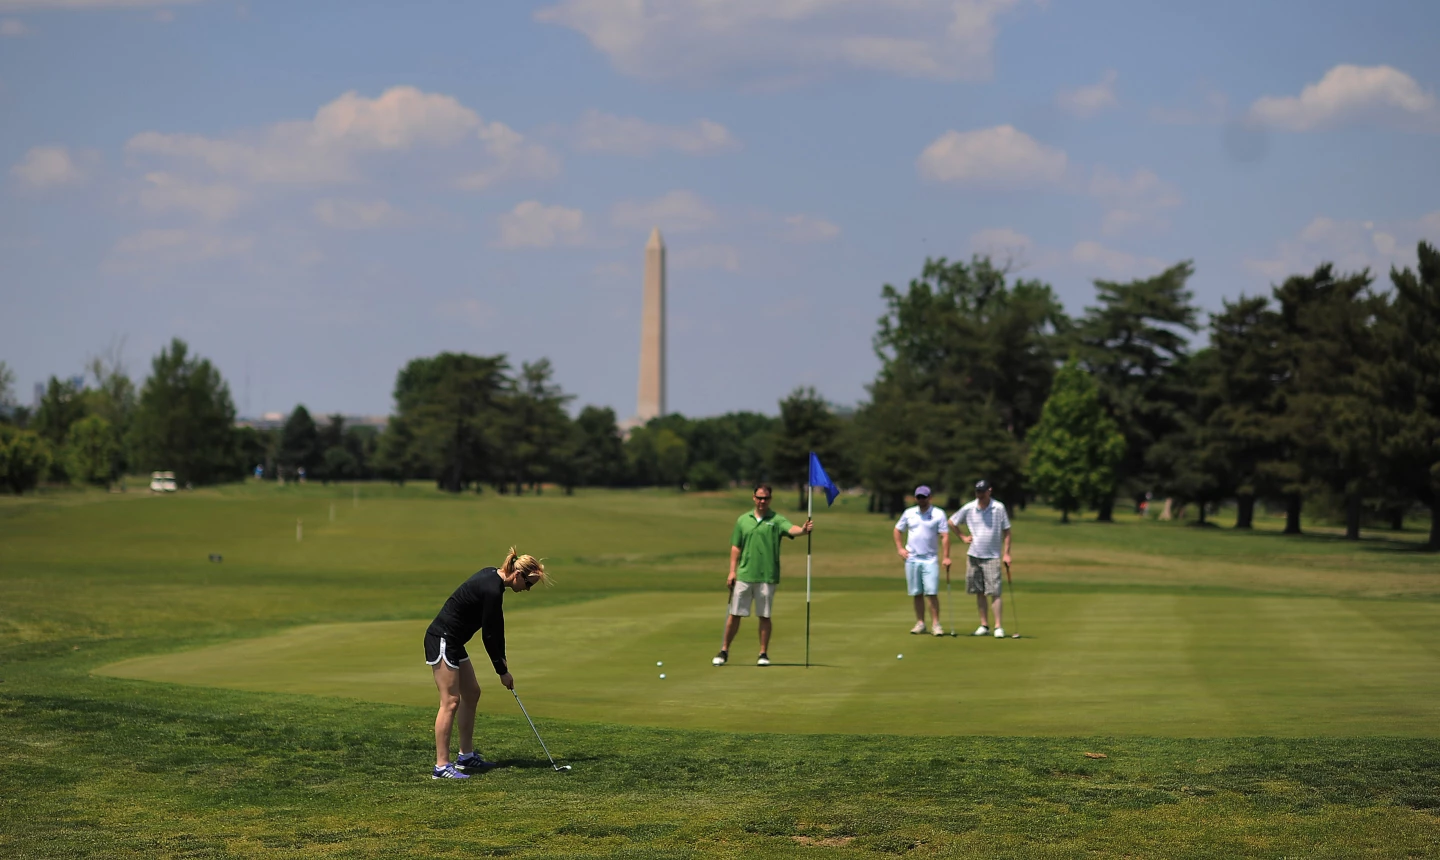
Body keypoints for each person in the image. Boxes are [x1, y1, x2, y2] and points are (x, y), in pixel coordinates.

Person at [423, 547, 550, 779]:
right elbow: (489, 635)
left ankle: (465, 756)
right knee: (450, 701)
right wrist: (502, 671)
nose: (527, 589)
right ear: (517, 575)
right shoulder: (492, 589)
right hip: (442, 639)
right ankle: (441, 766)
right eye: (528, 584)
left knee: (472, 693)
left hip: (454, 641)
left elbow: (496, 628)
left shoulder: (494, 580)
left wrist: (503, 662)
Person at [713, 484, 813, 667]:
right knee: (735, 614)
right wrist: (732, 571)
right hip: (744, 574)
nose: (762, 501)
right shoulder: (743, 520)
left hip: (767, 575)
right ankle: (724, 651)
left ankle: (763, 653)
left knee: (764, 616)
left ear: (770, 499)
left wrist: (804, 530)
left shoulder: (776, 519)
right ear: (754, 498)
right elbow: (736, 547)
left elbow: (792, 529)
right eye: (759, 498)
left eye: (765, 498)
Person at [949, 479, 1013, 638]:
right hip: (974, 555)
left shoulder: (998, 508)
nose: (980, 495)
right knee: (979, 592)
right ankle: (984, 625)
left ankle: (998, 626)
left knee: (995, 592)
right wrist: (962, 537)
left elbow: (1006, 531)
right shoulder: (970, 507)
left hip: (992, 556)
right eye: (978, 492)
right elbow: (952, 521)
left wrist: (1006, 553)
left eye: (982, 492)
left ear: (989, 491)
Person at [893, 485, 950, 636]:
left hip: (930, 558)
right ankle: (920, 623)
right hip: (912, 558)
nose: (921, 500)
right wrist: (900, 548)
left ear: (929, 498)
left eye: (924, 497)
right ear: (915, 498)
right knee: (917, 593)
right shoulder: (909, 513)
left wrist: (946, 557)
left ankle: (936, 624)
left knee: (931, 592)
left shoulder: (938, 514)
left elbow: (944, 536)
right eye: (919, 497)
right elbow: (897, 530)